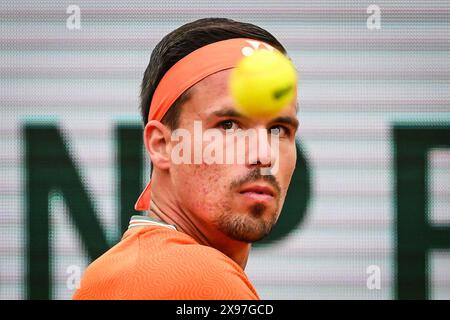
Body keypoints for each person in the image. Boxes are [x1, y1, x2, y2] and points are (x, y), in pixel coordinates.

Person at [73, 17, 299, 300]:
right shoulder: (200, 280)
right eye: (229, 125)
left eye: (279, 129)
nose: (265, 155)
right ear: (162, 145)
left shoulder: (118, 271)